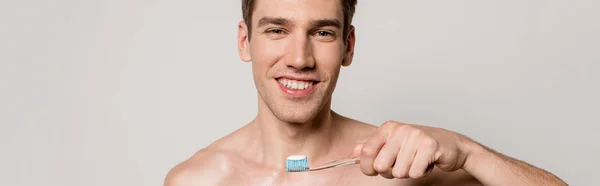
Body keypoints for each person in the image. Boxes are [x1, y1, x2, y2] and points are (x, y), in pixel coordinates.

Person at [164, 0, 568, 185]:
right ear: (244, 41)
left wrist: (466, 150)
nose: (300, 58)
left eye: (322, 32)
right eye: (276, 30)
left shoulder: (401, 168)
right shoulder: (197, 180)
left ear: (348, 46)